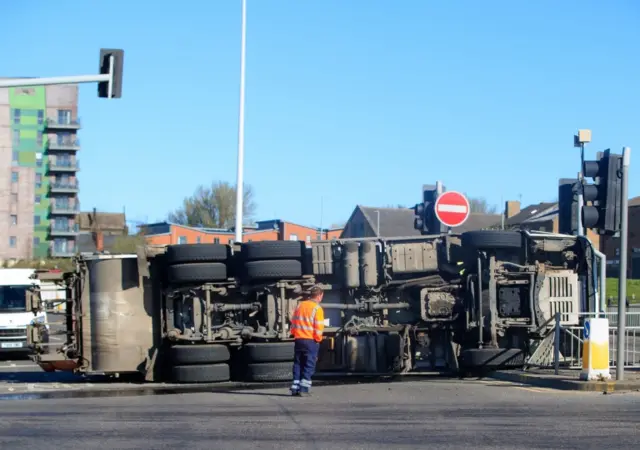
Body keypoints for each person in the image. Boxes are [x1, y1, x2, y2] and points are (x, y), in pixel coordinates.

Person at [289, 285, 325, 397]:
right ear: (320, 296)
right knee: (309, 365)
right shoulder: (317, 308)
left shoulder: (300, 305)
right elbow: (319, 328)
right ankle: (304, 389)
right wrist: (318, 340)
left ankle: (295, 388)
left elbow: (293, 322)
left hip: (299, 339)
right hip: (310, 341)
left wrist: (295, 334)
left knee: (298, 363)